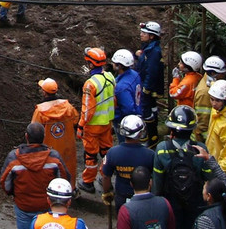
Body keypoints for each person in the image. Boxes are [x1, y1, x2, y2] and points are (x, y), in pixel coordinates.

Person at [1, 122, 71, 229]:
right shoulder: (54, 158)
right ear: (44, 137)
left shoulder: (13, 158)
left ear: (26, 137)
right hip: (47, 206)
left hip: (24, 207)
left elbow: (5, 184)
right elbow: (64, 180)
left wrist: (14, 194)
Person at [151, 106, 212, 229]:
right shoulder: (200, 149)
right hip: (195, 202)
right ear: (192, 129)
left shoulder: (162, 149)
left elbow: (157, 180)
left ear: (171, 129)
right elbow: (209, 176)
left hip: (171, 201)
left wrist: (157, 201)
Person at [78, 47, 116, 193]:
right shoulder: (110, 77)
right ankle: (105, 176)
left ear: (91, 64)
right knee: (106, 151)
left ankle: (88, 182)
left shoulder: (90, 84)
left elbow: (87, 109)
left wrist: (81, 125)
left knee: (90, 155)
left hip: (92, 126)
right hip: (107, 122)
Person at [102, 116, 158, 211]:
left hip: (121, 196)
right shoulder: (150, 155)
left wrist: (106, 192)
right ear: (140, 133)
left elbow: (106, 177)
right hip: (143, 197)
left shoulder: (113, 153)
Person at [30, 79, 79, 175]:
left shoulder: (40, 111)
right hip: (67, 149)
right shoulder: (68, 106)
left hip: (49, 151)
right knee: (67, 171)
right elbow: (76, 121)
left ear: (44, 92)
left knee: (50, 175)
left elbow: (34, 132)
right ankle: (71, 188)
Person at [135, 21, 165, 143]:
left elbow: (152, 72)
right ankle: (151, 134)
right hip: (145, 85)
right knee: (151, 109)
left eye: (144, 33)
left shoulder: (154, 52)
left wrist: (146, 89)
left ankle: (151, 136)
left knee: (147, 110)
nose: (141, 34)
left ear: (152, 36)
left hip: (147, 87)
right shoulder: (149, 49)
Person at [193, 56, 226, 141]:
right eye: (221, 73)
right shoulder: (205, 93)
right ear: (212, 73)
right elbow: (203, 123)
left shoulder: (209, 84)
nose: (223, 75)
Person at [110, 49, 142, 133]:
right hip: (138, 113)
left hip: (125, 122)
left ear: (119, 66)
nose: (112, 64)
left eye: (114, 62)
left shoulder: (122, 86)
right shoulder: (135, 74)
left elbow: (128, 109)